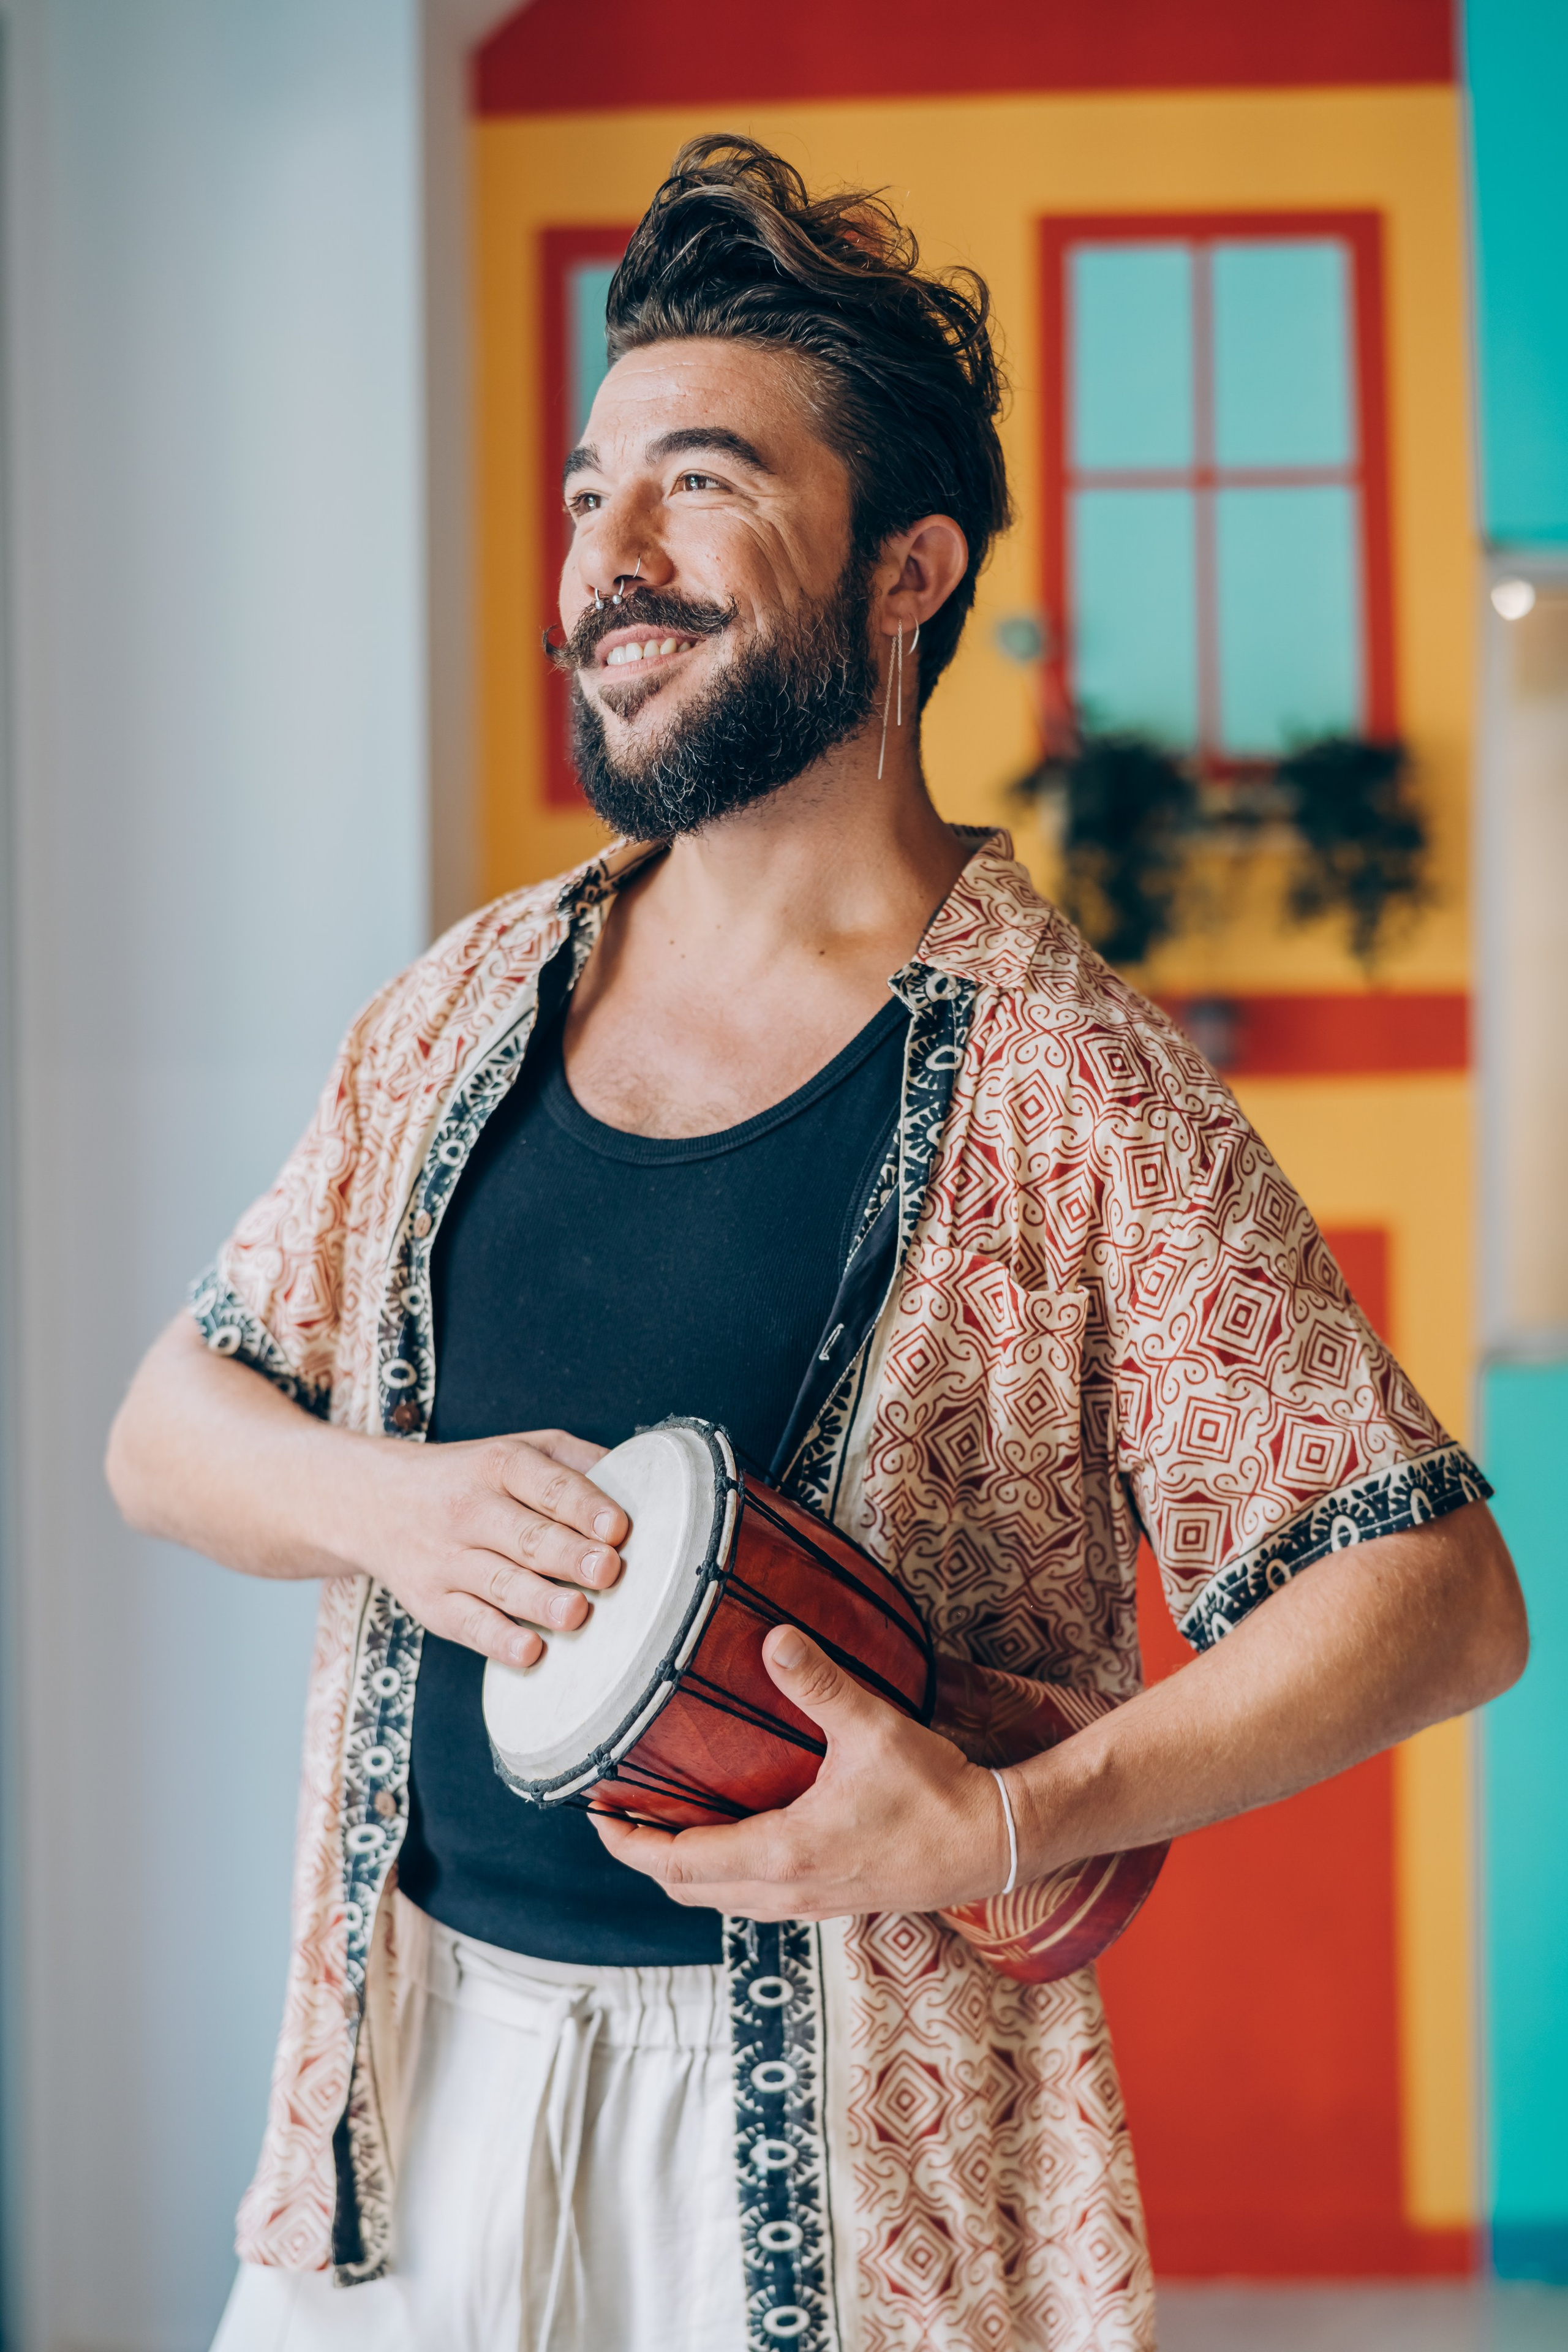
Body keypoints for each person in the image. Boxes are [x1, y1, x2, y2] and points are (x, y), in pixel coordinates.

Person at [107, 135, 1526, 2352]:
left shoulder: (1077, 1081)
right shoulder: (463, 1000)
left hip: (857, 2184)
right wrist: (393, 1505)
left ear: (905, 572)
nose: (609, 562)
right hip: (400, 2100)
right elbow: (166, 1432)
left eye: (700, 485)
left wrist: (1004, 1822)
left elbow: (1436, 1600)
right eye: (591, 494)